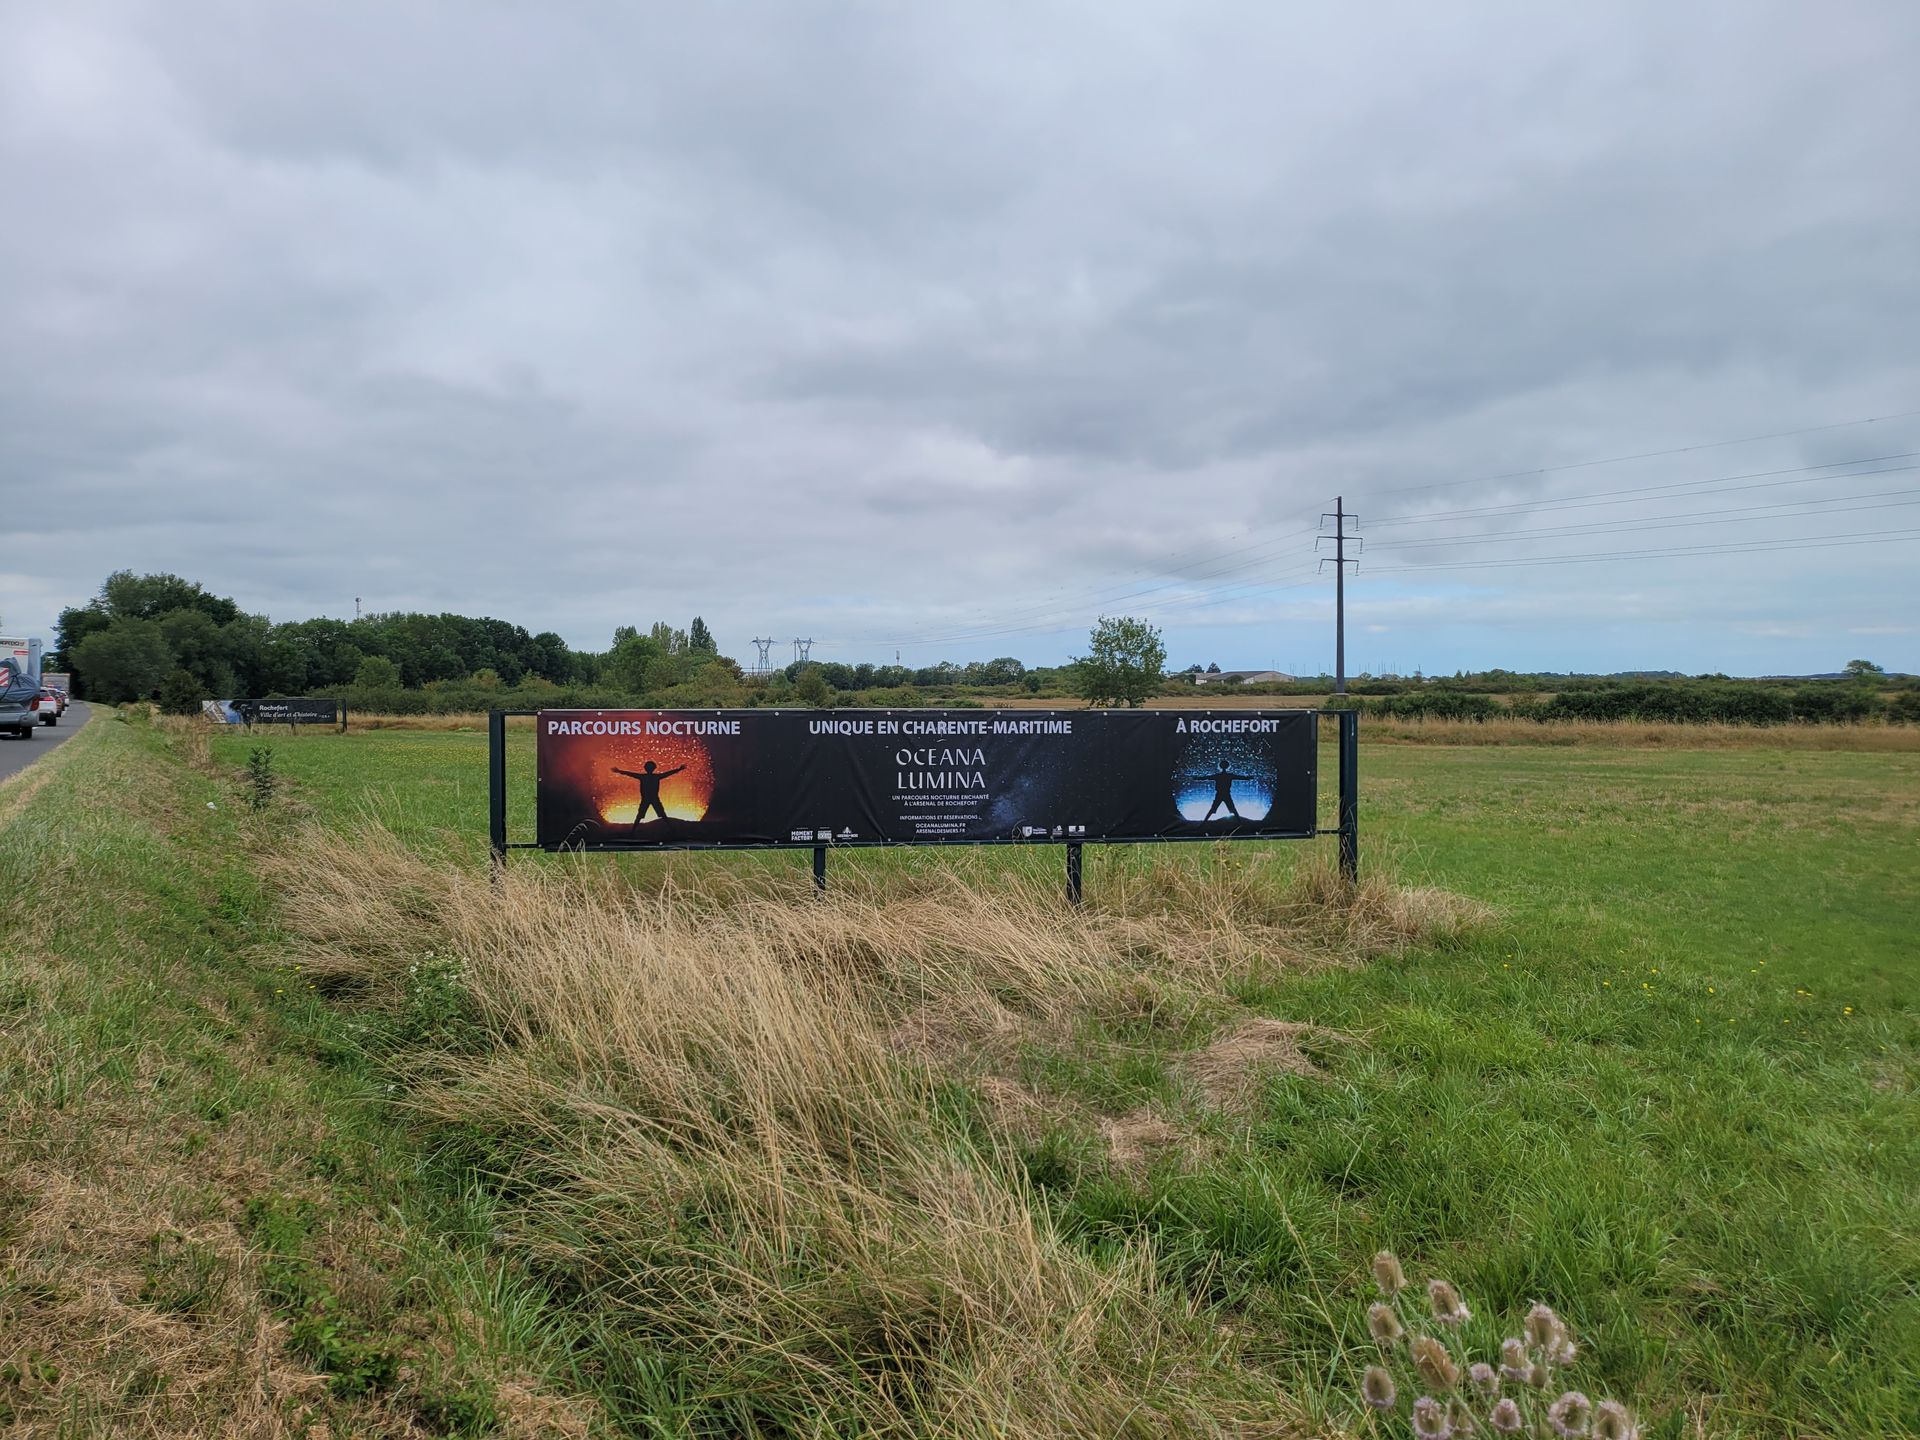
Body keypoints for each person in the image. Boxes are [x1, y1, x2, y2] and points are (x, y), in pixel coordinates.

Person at [613, 760, 686, 828]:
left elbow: (630, 774)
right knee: (663, 815)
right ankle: (672, 830)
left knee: (640, 815)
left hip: (646, 799)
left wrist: (619, 771)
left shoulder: (643, 777)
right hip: (654, 798)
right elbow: (668, 773)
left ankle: (633, 832)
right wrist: (679, 769)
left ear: (645, 768)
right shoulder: (656, 777)